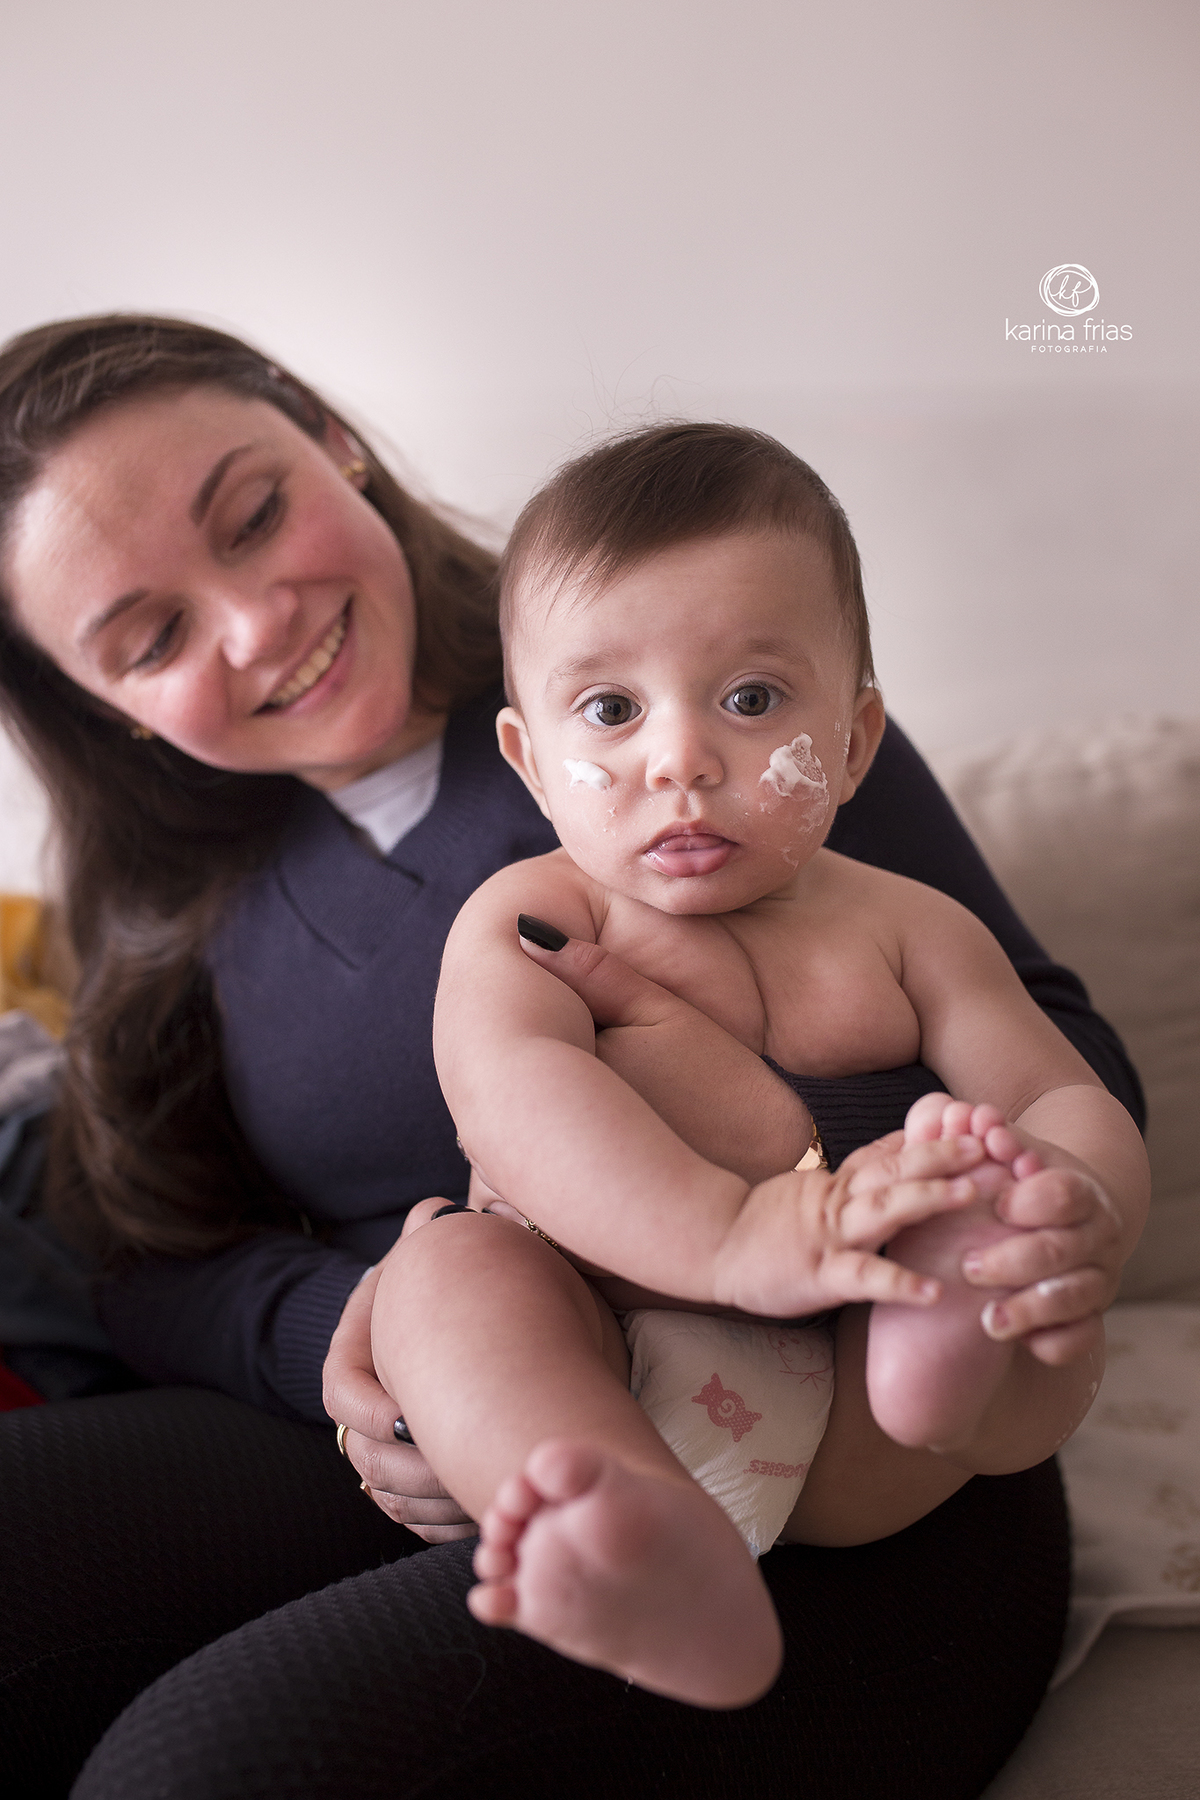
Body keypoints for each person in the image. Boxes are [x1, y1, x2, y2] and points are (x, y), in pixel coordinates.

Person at [0, 314, 1142, 1800]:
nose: (256, 623)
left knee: (202, 1768)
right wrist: (352, 1338)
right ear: (99, 703)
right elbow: (138, 1254)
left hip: (865, 1423)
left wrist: (783, 1151)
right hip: (485, 1429)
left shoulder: (712, 668)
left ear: (329, 437)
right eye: (150, 637)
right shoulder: (169, 911)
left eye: (256, 512)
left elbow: (1055, 1064)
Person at [367, 423, 1148, 1709]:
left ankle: (948, 1359)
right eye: (611, 710)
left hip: (863, 1423)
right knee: (445, 1275)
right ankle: (630, 1539)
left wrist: (1077, 1198)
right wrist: (733, 1234)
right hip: (611, 1365)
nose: (680, 759)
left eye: (750, 699)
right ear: (531, 764)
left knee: (978, 1195)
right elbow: (516, 1101)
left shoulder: (909, 929)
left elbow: (1059, 1090)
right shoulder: (530, 921)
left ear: (853, 742)